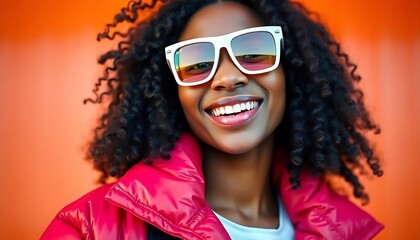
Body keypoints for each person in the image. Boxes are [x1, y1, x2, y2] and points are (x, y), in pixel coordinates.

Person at [41, 0, 384, 239]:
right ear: (170, 89)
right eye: (197, 62)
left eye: (253, 53)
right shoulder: (88, 229)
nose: (227, 77)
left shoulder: (342, 230)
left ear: (291, 72)